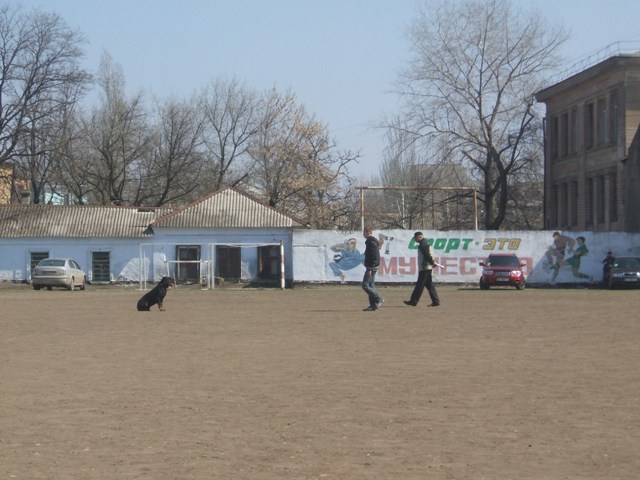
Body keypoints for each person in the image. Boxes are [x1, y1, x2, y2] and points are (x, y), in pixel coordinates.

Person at [404, 231, 443, 307]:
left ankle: (413, 301)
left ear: (420, 237)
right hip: (427, 267)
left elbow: (427, 255)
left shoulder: (423, 245)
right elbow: (430, 255)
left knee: (420, 285)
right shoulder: (426, 244)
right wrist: (433, 262)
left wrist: (432, 262)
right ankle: (435, 301)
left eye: (416, 238)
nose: (415, 239)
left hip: (425, 268)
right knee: (429, 285)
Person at [361, 226, 383, 311]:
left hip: (371, 267)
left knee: (365, 285)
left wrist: (370, 268)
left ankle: (378, 298)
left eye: (364, 232)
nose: (363, 234)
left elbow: (374, 256)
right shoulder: (371, 241)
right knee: (371, 285)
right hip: (372, 266)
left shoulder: (371, 242)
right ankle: (373, 305)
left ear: (368, 232)